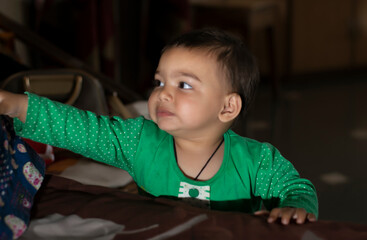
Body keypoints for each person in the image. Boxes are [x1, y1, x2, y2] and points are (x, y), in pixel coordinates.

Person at [0, 28, 318, 225]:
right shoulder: (140, 142)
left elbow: (297, 188)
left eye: (184, 84)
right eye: (159, 81)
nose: (163, 92)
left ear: (227, 107)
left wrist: (295, 207)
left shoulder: (258, 161)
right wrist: (15, 105)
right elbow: (81, 128)